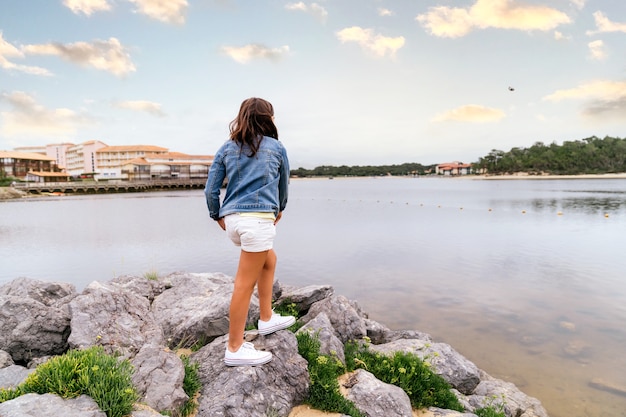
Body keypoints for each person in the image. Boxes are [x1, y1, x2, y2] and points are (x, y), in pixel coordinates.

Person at [205, 97, 295, 366]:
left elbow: (211, 189)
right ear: (269, 118)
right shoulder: (276, 147)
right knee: (243, 285)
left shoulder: (226, 147)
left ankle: (266, 318)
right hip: (257, 221)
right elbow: (284, 185)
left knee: (270, 260)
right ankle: (234, 348)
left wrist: (216, 214)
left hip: (232, 219)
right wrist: (279, 209)